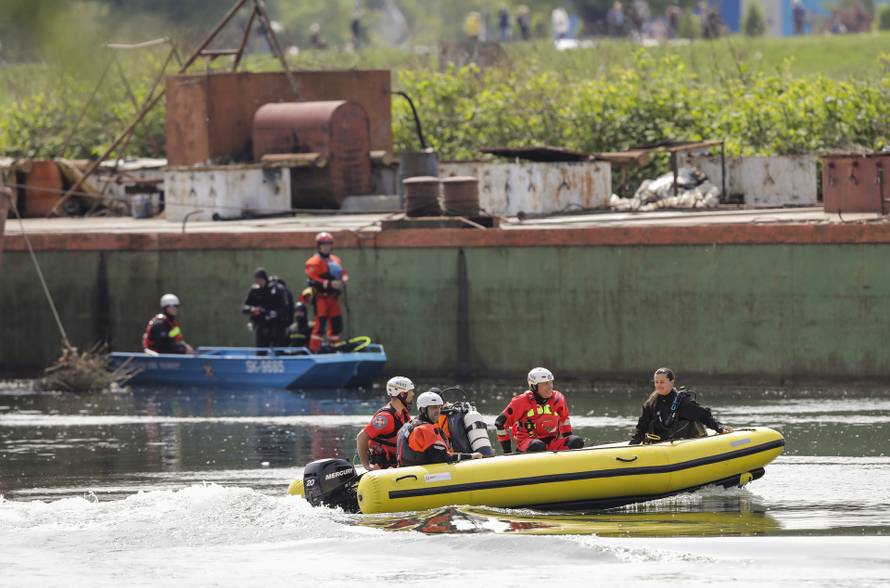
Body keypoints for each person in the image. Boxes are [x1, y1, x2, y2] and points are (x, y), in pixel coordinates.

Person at [629, 367, 734, 445]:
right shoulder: (650, 404)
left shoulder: (683, 402)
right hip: (658, 446)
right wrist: (632, 445)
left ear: (671, 382)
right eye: (656, 382)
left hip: (681, 446)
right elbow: (641, 428)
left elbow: (704, 416)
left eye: (662, 382)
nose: (659, 385)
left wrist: (720, 427)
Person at [495, 367, 584, 454]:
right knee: (538, 445)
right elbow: (500, 423)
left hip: (552, 443)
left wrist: (569, 443)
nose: (550, 387)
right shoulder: (521, 401)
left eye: (551, 383)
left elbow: (564, 420)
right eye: (545, 384)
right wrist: (507, 452)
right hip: (528, 443)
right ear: (534, 386)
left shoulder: (558, 399)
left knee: (576, 441)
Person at [397, 390, 483, 466]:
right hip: (420, 474)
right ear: (423, 409)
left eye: (439, 407)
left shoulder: (408, 425)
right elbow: (442, 457)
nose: (438, 411)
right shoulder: (425, 429)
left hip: (406, 469)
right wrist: (471, 456)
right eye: (434, 407)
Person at [356, 376, 415, 470]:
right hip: (384, 466)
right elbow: (361, 437)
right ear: (402, 394)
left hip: (397, 463)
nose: (413, 394)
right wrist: (367, 466)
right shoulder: (386, 417)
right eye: (411, 391)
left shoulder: (403, 413)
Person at [305, 232, 349, 353]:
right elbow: (314, 279)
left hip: (333, 298)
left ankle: (335, 348)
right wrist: (330, 284)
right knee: (320, 325)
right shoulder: (312, 262)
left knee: (336, 325)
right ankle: (314, 350)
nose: (326, 247)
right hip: (321, 298)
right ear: (318, 246)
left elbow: (343, 272)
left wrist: (344, 279)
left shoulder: (335, 260)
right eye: (323, 244)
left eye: (328, 244)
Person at [242, 267, 292, 348]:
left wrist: (274, 313)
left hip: (277, 325)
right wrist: (252, 310)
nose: (259, 283)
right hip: (262, 325)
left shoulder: (277, 289)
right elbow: (244, 307)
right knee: (261, 350)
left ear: (265, 279)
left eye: (260, 280)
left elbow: (286, 308)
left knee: (278, 349)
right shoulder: (255, 290)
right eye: (257, 281)